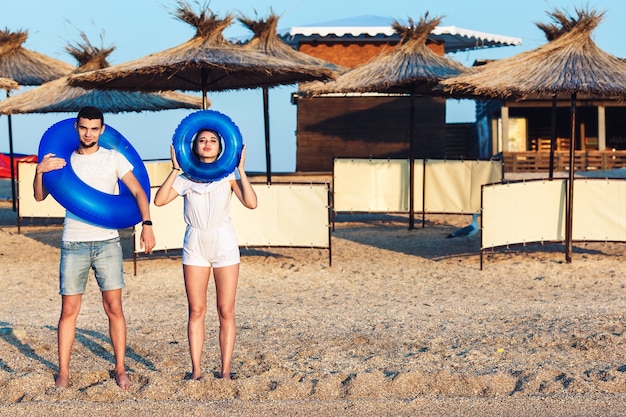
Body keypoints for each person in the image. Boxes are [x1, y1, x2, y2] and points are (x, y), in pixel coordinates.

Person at [33, 106, 156, 390]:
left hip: (107, 243)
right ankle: (63, 373)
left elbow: (138, 192)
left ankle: (120, 368)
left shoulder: (113, 158)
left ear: (102, 130)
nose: (88, 133)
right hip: (73, 242)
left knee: (114, 307)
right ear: (76, 127)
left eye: (94, 128)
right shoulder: (62, 161)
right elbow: (39, 197)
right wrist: (40, 172)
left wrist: (147, 224)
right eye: (84, 127)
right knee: (68, 310)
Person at [154, 128, 257, 380]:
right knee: (197, 309)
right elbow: (159, 200)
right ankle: (196, 370)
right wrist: (175, 169)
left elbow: (252, 203)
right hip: (195, 242)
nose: (207, 144)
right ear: (194, 146)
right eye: (202, 140)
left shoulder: (229, 173)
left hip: (224, 242)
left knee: (226, 309)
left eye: (212, 140)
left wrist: (241, 170)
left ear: (220, 146)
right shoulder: (186, 176)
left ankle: (224, 371)